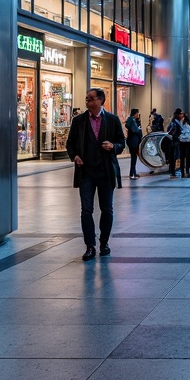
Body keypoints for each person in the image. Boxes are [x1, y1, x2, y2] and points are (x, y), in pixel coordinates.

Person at [66, 88, 126, 261]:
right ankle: (90, 246)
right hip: (86, 173)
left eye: (91, 98)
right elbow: (70, 144)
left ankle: (104, 243)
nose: (88, 101)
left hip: (106, 172)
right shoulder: (79, 121)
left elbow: (121, 142)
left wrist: (113, 147)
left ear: (101, 100)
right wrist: (75, 156)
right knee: (86, 210)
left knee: (107, 209)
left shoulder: (113, 120)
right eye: (86, 98)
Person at [124, 107, 143, 180]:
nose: (138, 114)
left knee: (134, 157)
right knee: (133, 158)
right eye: (137, 113)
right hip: (133, 141)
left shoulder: (132, 120)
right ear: (135, 114)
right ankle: (132, 174)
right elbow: (137, 130)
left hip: (132, 141)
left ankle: (133, 173)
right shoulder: (131, 120)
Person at [166, 109, 183, 177]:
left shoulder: (176, 122)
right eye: (181, 114)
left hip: (175, 141)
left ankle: (172, 171)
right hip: (174, 142)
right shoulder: (175, 123)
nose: (182, 115)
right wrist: (176, 136)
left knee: (174, 157)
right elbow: (171, 131)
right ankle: (172, 172)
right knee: (173, 157)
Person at [178, 110, 190, 178]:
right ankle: (187, 171)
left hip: (182, 140)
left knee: (182, 157)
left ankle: (182, 172)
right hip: (188, 141)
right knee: (188, 157)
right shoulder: (188, 123)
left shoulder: (179, 122)